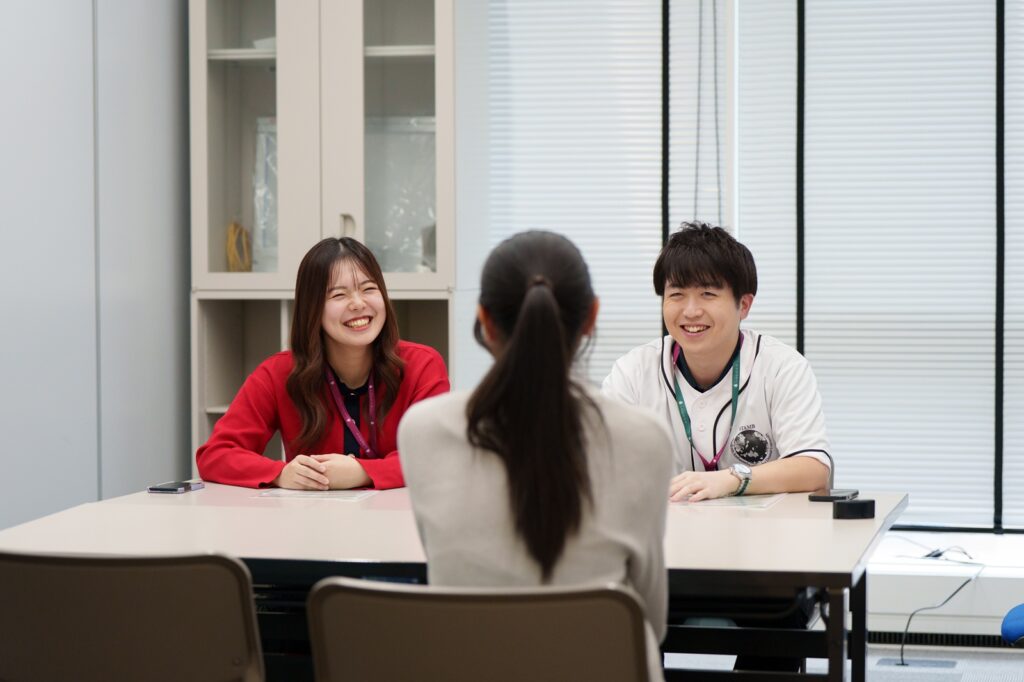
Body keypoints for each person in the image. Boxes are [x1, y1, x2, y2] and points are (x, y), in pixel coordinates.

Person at [399, 231, 673, 680]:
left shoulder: (421, 430)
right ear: (591, 318)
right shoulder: (644, 438)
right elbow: (651, 621)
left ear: (484, 320)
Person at [602, 221, 831, 672]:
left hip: (766, 567)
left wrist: (731, 479)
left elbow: (813, 467)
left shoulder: (782, 367)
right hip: (665, 562)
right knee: (612, 616)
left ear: (744, 304)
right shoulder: (634, 371)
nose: (690, 311)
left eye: (708, 295)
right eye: (676, 294)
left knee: (777, 631)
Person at [196, 237, 449, 490]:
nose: (359, 304)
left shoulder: (422, 365)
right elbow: (215, 455)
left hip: (400, 522)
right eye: (339, 294)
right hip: (312, 522)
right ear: (312, 309)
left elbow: (437, 455)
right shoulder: (279, 373)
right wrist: (281, 474)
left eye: (369, 289)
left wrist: (363, 472)